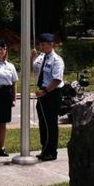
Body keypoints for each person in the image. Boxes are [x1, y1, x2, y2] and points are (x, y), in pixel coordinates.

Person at [32, 33, 64, 161]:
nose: (41, 46)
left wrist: (44, 91)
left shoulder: (57, 60)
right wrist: (31, 57)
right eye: (40, 44)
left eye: (43, 44)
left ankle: (52, 151)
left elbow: (57, 80)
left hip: (52, 93)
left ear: (51, 45)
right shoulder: (41, 57)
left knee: (51, 123)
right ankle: (44, 148)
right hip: (43, 93)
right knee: (43, 122)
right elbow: (33, 69)